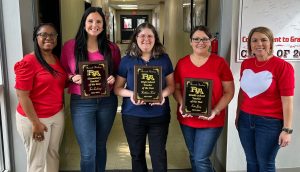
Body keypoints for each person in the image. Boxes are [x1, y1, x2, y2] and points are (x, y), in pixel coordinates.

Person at [60, 7, 121, 172]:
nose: (95, 25)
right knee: (88, 152)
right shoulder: (69, 47)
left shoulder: (112, 48)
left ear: (104, 25)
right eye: (90, 21)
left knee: (100, 146)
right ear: (84, 23)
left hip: (107, 102)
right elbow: (62, 73)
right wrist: (72, 77)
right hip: (81, 104)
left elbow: (117, 72)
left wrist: (113, 77)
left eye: (99, 21)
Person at [114, 22, 174, 172]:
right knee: (137, 155)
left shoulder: (164, 59)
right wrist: (132, 94)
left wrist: (162, 95)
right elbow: (117, 88)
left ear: (155, 39)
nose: (146, 39)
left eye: (150, 36)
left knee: (158, 155)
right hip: (133, 115)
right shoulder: (126, 60)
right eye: (142, 36)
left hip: (159, 116)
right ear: (135, 38)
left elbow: (171, 86)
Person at [173, 25, 234, 172]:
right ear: (190, 41)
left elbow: (229, 91)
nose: (200, 42)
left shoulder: (220, 63)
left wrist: (216, 110)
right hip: (187, 118)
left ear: (211, 41)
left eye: (204, 39)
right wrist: (182, 103)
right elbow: (176, 89)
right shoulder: (182, 63)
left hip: (211, 120)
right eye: (196, 39)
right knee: (194, 156)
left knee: (201, 159)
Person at [236, 26, 295, 172]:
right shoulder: (246, 64)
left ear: (271, 43)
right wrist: (238, 114)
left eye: (264, 40)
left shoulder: (283, 66)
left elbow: (287, 100)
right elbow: (242, 92)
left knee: (265, 164)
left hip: (270, 123)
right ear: (250, 44)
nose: (259, 44)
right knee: (251, 162)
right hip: (245, 120)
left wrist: (287, 129)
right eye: (254, 40)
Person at [14, 23, 67, 172]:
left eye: (52, 35)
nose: (48, 38)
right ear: (36, 38)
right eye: (43, 35)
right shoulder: (28, 62)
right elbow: (22, 96)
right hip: (35, 118)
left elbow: (56, 84)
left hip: (56, 114)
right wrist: (35, 123)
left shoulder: (55, 58)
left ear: (56, 38)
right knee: (37, 162)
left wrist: (74, 79)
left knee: (53, 155)